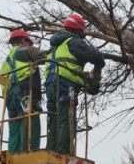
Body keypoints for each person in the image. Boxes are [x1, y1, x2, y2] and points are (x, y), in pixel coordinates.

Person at [45, 13, 105, 154]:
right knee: (67, 117)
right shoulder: (73, 41)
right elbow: (96, 56)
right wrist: (98, 68)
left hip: (50, 85)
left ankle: (51, 150)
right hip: (66, 84)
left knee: (54, 118)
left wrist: (82, 75)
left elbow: (67, 63)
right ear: (78, 29)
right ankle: (63, 152)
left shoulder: (55, 46)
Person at [0, 28, 45, 153]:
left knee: (14, 125)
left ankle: (13, 155)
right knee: (31, 120)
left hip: (9, 98)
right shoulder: (25, 50)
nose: (31, 46)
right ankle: (30, 152)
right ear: (24, 40)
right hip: (25, 93)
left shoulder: (7, 61)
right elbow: (44, 56)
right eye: (30, 43)